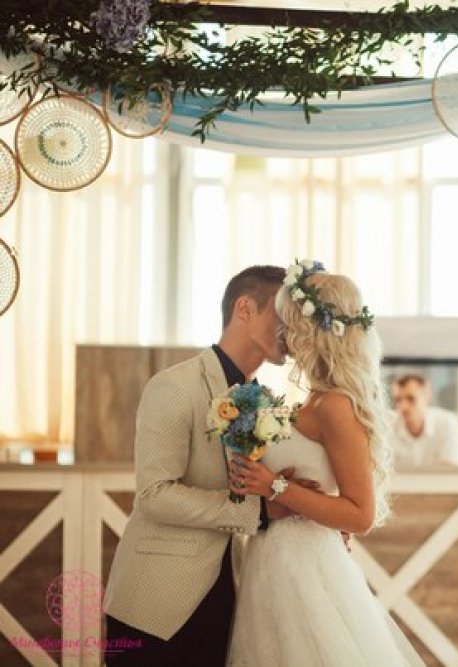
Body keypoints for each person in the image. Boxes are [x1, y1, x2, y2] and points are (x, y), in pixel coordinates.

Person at [103, 265, 316, 666]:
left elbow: (257, 485)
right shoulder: (173, 386)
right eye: (284, 313)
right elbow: (154, 496)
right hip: (156, 602)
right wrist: (260, 510)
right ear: (245, 308)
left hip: (230, 596)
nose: (294, 328)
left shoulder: (267, 401)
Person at [225, 260, 423, 666]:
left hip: (304, 569)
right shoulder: (315, 400)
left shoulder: (336, 406)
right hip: (275, 562)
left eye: (289, 321)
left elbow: (359, 514)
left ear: (310, 330)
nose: (282, 331)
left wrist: (274, 486)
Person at [391, 373, 458, 467]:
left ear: (426, 396)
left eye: (411, 399)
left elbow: (452, 470)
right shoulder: (388, 426)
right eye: (398, 400)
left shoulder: (447, 424)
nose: (403, 407)